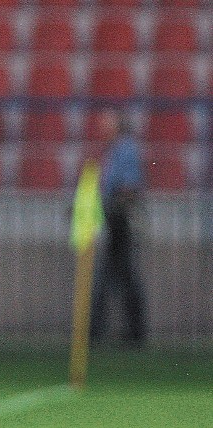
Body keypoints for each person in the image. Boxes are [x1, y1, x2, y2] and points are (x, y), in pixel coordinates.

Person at [89, 108, 147, 344]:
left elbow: (129, 186)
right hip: (114, 219)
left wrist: (109, 205)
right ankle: (119, 331)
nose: (102, 127)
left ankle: (129, 332)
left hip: (122, 220)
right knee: (119, 276)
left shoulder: (125, 149)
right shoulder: (114, 150)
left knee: (122, 276)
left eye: (107, 123)